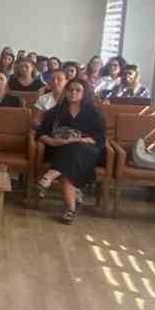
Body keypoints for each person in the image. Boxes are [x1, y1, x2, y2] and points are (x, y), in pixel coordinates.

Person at [36, 79, 107, 225]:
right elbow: (41, 133)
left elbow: (99, 139)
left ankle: (50, 175)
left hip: (88, 151)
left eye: (78, 90)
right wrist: (54, 142)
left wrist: (81, 140)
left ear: (84, 92)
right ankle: (70, 209)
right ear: (65, 91)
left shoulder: (94, 113)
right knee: (69, 165)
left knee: (75, 149)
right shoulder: (55, 112)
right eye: (70, 89)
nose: (73, 93)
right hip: (61, 149)